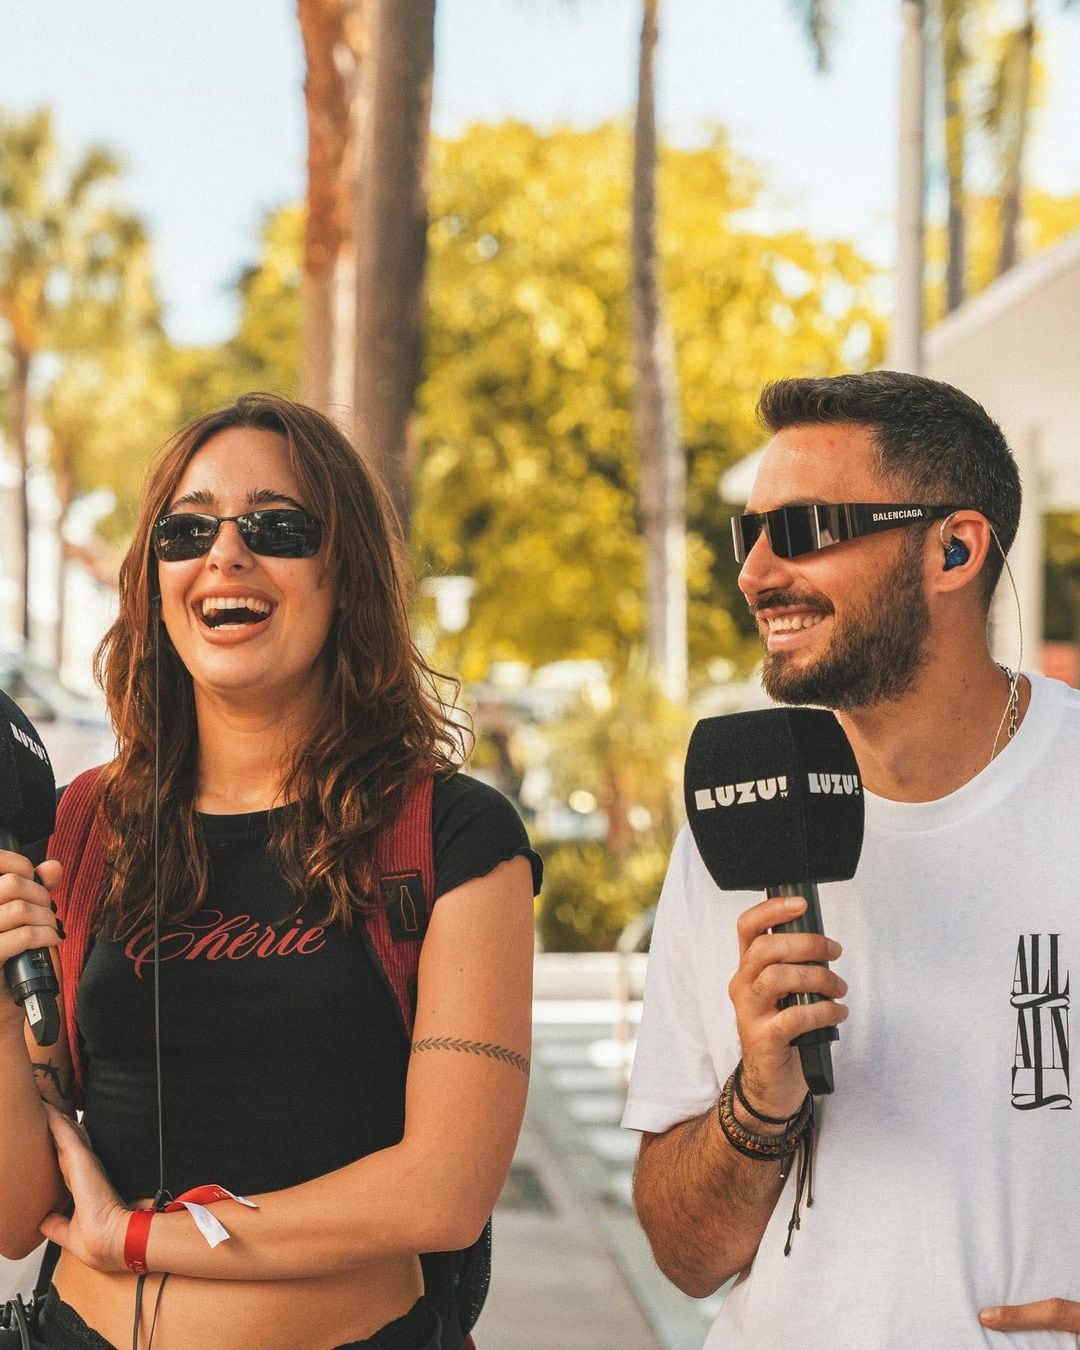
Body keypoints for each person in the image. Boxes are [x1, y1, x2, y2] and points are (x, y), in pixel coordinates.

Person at [0, 393, 541, 1350]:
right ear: (154, 577)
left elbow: (443, 1193)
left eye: (277, 526)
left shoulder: (453, 833)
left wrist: (141, 1238)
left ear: (348, 575)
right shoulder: (87, 824)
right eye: (188, 527)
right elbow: (17, 1216)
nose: (225, 553)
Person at [622, 371, 1080, 1348]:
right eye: (751, 536)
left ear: (954, 547)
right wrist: (757, 1098)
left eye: (806, 530)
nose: (753, 574)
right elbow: (685, 1254)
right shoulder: (737, 812)